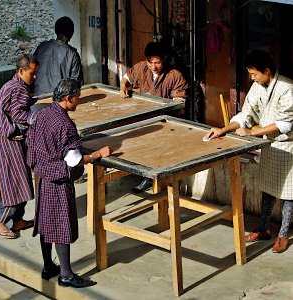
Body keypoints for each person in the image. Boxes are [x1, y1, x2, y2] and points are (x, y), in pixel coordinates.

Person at [26, 79, 112, 287]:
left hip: (43, 176)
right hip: (58, 179)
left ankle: (48, 266)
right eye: (77, 98)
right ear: (68, 98)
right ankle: (66, 274)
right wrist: (97, 155)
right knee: (60, 225)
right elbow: (73, 161)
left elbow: (34, 142)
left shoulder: (42, 114)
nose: (78, 101)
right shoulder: (65, 124)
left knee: (46, 222)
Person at [207, 49, 293, 253]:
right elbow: (246, 114)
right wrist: (224, 128)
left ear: (267, 71)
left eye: (254, 74)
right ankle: (263, 228)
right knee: (268, 187)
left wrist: (253, 132)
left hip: (288, 145)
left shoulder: (287, 87)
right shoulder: (257, 86)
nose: (251, 78)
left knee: (288, 193)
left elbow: (286, 124)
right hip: (269, 145)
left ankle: (283, 234)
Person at [120, 41, 189, 192]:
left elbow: (180, 102)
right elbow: (127, 77)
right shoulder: (141, 68)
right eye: (150, 63)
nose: (153, 67)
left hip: (166, 122)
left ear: (164, 59)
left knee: (160, 152)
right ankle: (145, 176)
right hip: (145, 120)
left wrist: (164, 105)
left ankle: (151, 179)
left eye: (157, 63)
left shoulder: (174, 76)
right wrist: (123, 85)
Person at [0, 54, 38, 239]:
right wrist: (35, 118)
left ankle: (17, 220)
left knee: (22, 181)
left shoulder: (16, 86)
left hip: (13, 141)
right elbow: (19, 114)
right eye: (32, 73)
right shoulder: (16, 88)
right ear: (21, 71)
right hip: (7, 142)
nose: (34, 77)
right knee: (12, 184)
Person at [33, 16, 83, 96]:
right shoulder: (72, 54)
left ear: (56, 30)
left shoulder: (42, 46)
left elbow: (31, 70)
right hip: (59, 100)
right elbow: (76, 84)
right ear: (72, 33)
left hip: (38, 96)